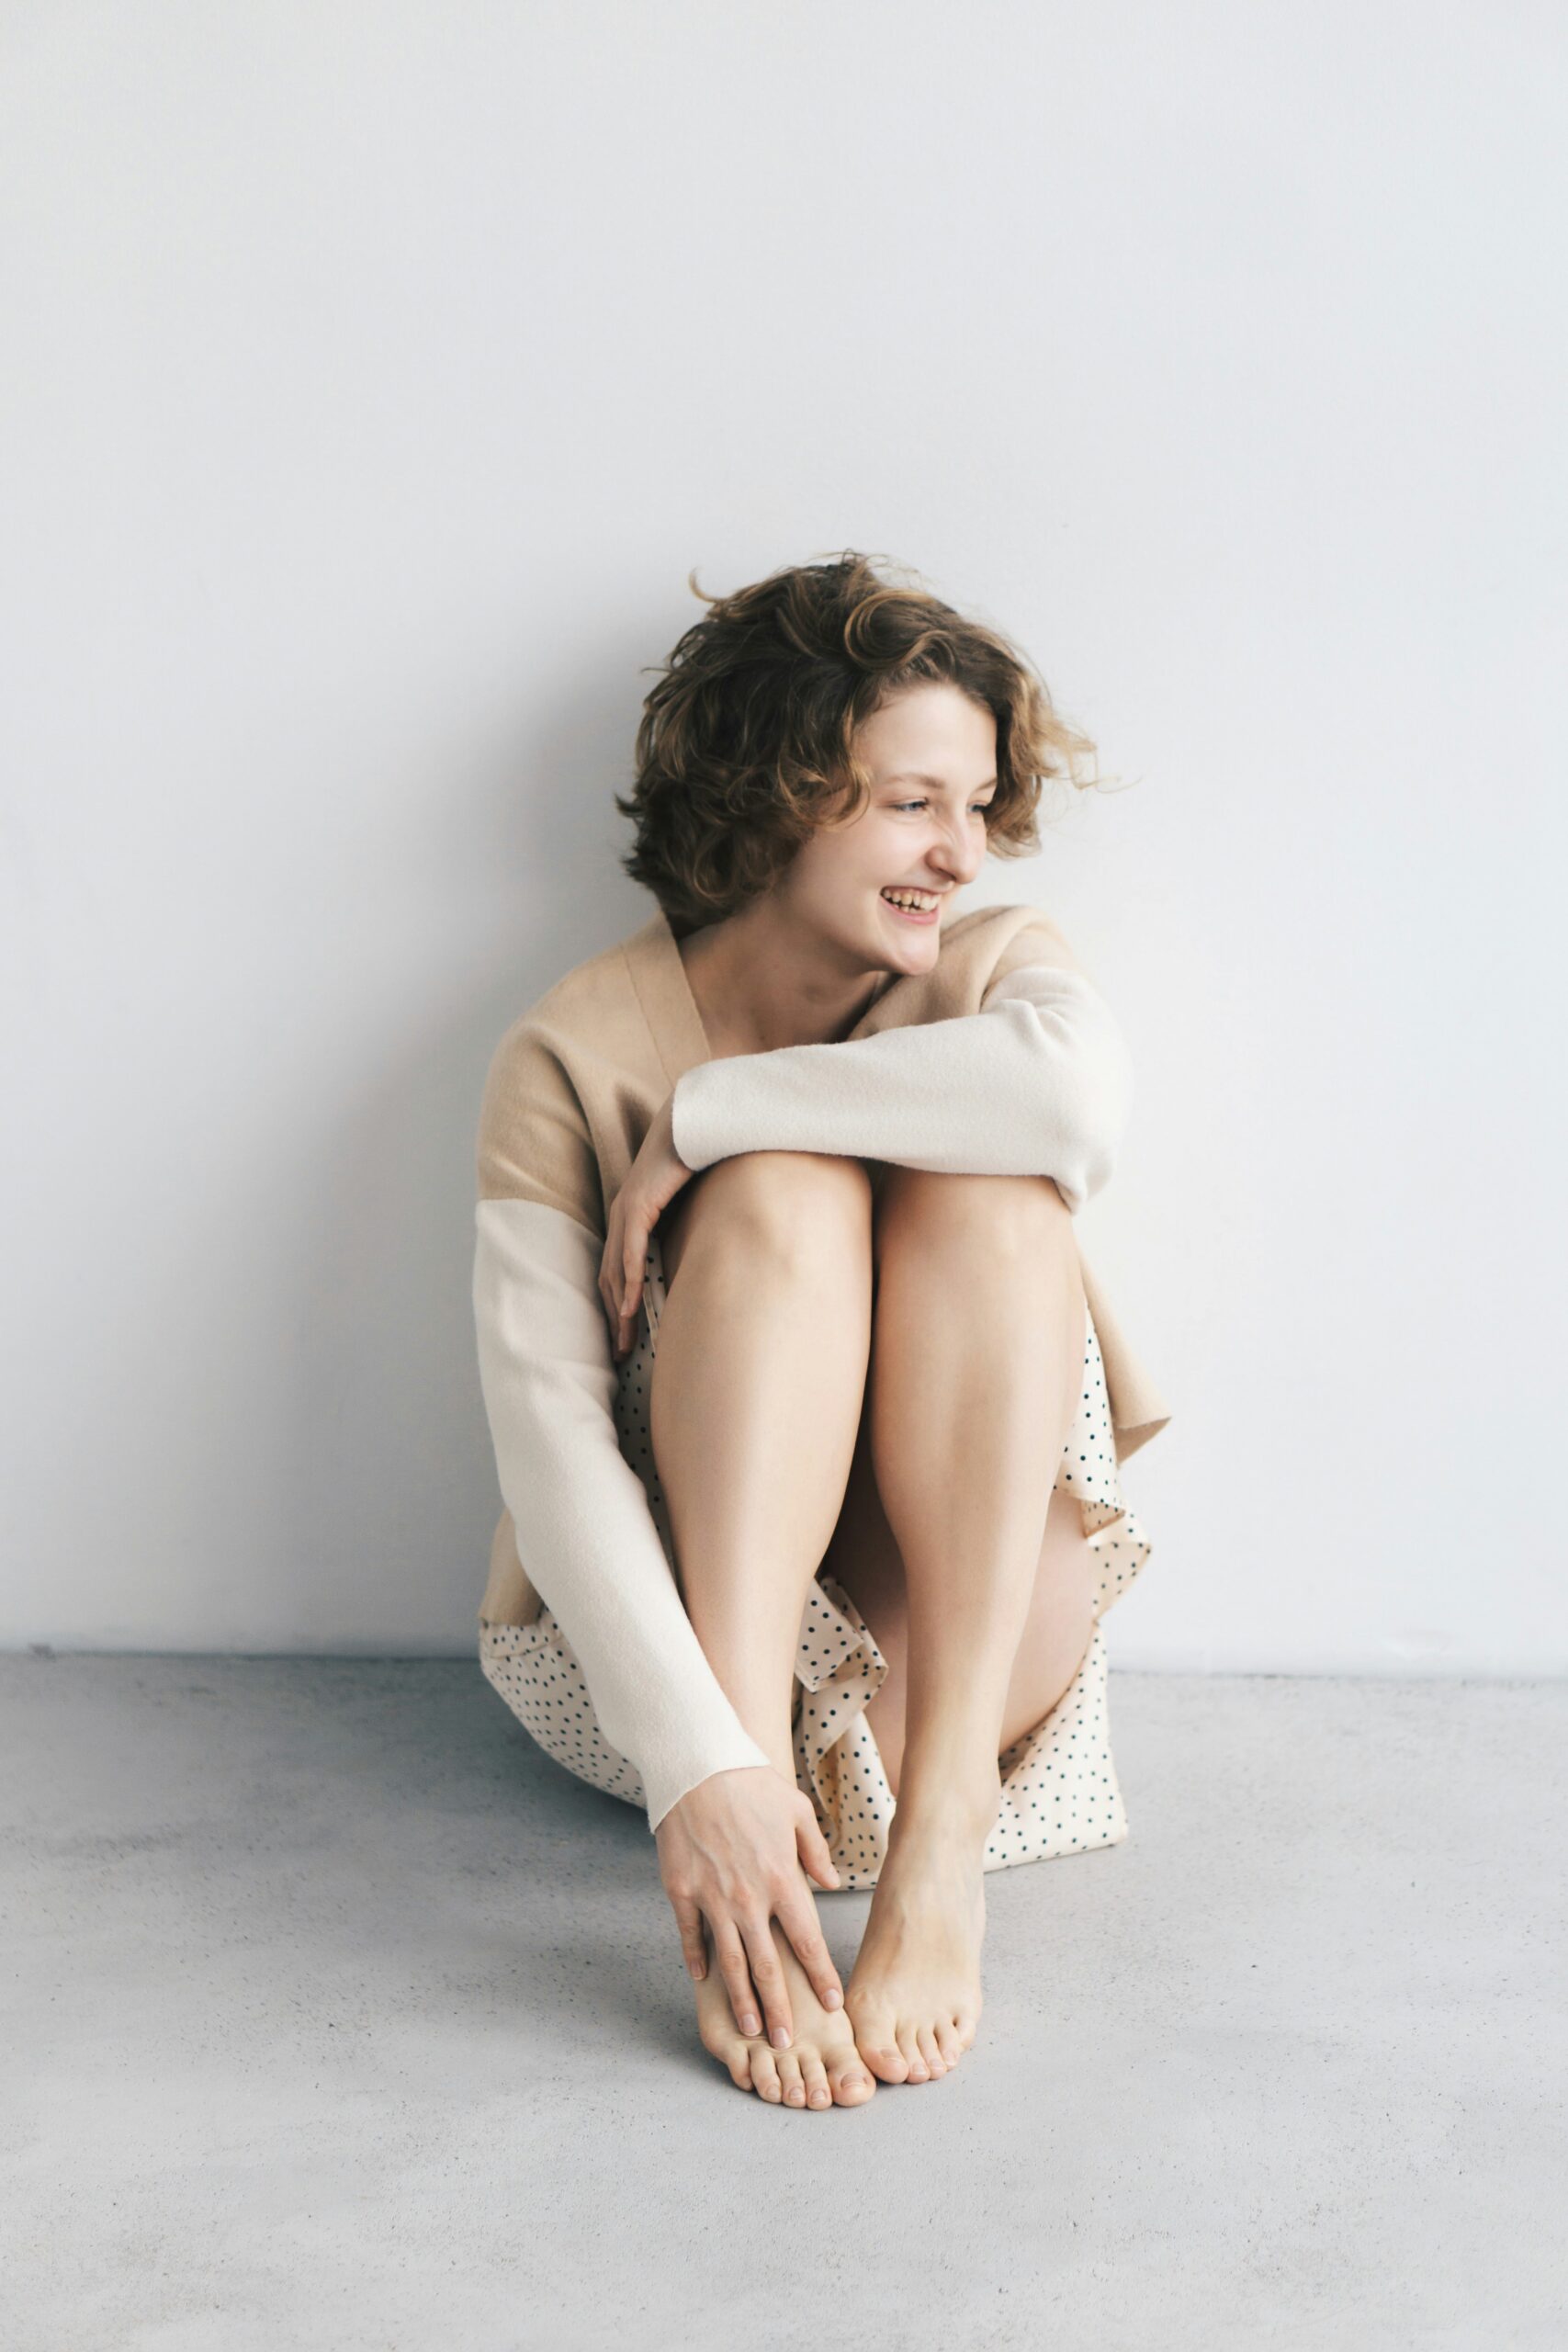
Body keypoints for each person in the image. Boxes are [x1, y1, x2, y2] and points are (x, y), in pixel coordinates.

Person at [471, 550, 1171, 2111]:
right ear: (780, 794)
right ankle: (749, 1830)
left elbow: (1074, 1105)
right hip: (687, 1692)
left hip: (950, 1701)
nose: (959, 853)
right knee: (786, 1197)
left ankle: (940, 1851)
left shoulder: (990, 968)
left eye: (976, 806)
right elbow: (547, 1441)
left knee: (1000, 1198)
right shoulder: (572, 1049)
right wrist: (698, 1762)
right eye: (914, 803)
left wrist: (714, 1111)